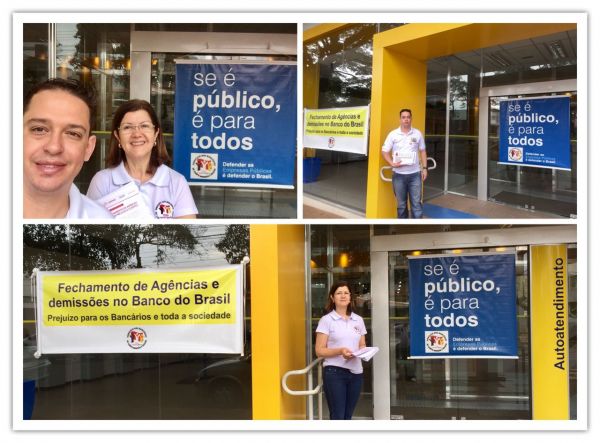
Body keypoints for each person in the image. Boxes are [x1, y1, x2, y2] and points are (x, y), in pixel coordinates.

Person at [86, 99, 198, 219]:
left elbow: (186, 233)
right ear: (117, 136)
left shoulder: (176, 182)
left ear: (155, 133)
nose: (137, 134)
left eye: (144, 126)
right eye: (127, 127)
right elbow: (90, 231)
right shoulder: (102, 181)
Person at [23, 78, 112, 219]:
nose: (54, 147)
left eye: (72, 134)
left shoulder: (103, 222)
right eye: (39, 129)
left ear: (89, 148)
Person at [315, 282, 367, 420]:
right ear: (332, 297)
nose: (343, 296)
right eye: (339, 293)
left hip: (356, 373)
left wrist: (362, 352)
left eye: (346, 293)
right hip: (334, 373)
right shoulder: (326, 320)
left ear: (351, 297)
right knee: (338, 416)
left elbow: (362, 344)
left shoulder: (359, 320)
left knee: (347, 416)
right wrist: (340, 351)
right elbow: (319, 351)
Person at [381, 108, 428, 218]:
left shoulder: (417, 134)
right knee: (401, 206)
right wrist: (391, 163)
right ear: (400, 119)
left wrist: (425, 168)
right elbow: (384, 151)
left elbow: (422, 151)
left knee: (416, 205)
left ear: (411, 119)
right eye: (403, 117)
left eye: (408, 117)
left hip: (415, 175)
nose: (406, 119)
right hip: (398, 176)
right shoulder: (393, 134)